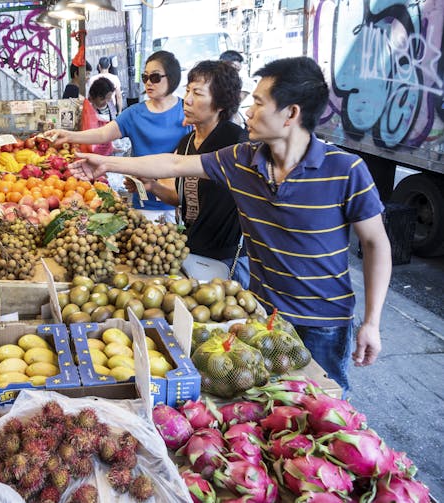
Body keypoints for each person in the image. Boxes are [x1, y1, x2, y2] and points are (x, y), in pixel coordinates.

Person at [70, 56, 392, 392]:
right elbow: (175, 163)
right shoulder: (242, 159)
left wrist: (371, 322)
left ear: (291, 114)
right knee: (266, 403)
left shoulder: (346, 170)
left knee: (324, 404)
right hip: (261, 316)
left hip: (324, 324)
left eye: (259, 103)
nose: (249, 112)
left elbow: (375, 244)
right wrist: (106, 162)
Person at [48, 51, 191, 221]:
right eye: (145, 77)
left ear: (173, 78)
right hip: (145, 202)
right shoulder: (134, 114)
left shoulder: (188, 112)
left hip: (181, 202)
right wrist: (69, 135)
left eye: (155, 77)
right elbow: (103, 134)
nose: (148, 83)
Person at [142, 60, 250, 287]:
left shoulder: (234, 141)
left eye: (197, 93)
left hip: (225, 261)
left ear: (220, 103)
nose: (187, 100)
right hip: (190, 255)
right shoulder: (187, 142)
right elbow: (187, 198)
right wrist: (153, 187)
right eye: (188, 91)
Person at [82, 77, 117, 156]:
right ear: (93, 96)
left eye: (108, 99)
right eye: (102, 99)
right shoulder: (85, 108)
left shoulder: (109, 105)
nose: (106, 102)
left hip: (107, 152)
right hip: (91, 153)